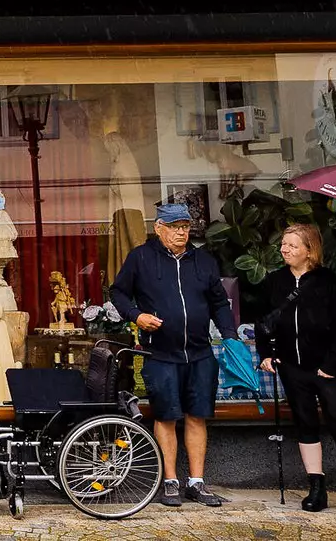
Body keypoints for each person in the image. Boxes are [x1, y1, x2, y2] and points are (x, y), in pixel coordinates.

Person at [108, 201, 240, 507]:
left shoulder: (203, 260)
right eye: (175, 227)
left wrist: (230, 335)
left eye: (185, 227)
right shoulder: (141, 257)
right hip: (160, 353)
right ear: (159, 228)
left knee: (197, 415)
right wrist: (136, 316)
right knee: (166, 416)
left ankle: (196, 482)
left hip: (200, 353)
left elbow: (219, 302)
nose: (181, 233)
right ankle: (169, 481)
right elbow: (118, 292)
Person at [254, 224, 336, 521]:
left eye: (291, 245)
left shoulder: (328, 281)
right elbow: (262, 321)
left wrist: (330, 364)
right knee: (305, 424)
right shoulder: (274, 282)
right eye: (283, 244)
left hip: (325, 368)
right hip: (292, 367)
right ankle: (316, 486)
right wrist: (266, 353)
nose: (284, 249)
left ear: (309, 250)